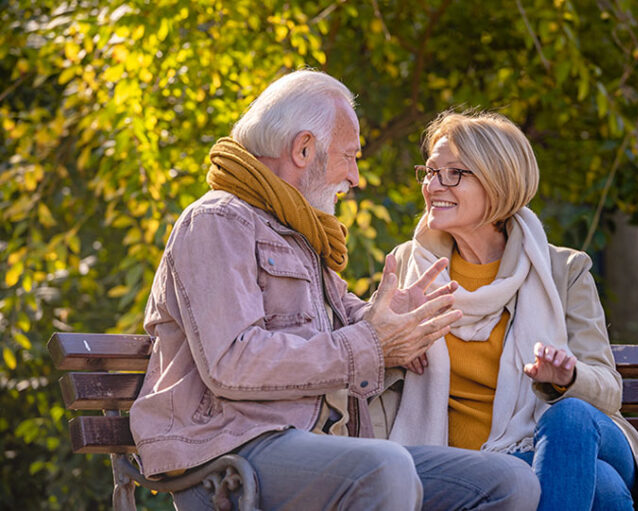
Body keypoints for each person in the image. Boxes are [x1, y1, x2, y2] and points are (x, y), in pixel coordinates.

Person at [130, 71, 540, 511]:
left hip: (322, 446)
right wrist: (372, 342)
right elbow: (232, 362)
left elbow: (356, 328)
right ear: (304, 149)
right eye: (349, 157)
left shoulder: (302, 235)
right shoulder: (217, 221)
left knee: (509, 480)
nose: (356, 176)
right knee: (385, 469)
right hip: (233, 452)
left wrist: (391, 324)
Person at [374, 110, 638, 511]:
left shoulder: (564, 271)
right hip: (459, 463)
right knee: (606, 490)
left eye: (453, 173)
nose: (432, 185)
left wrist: (565, 378)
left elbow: (608, 392)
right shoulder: (410, 268)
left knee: (569, 417)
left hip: (561, 437)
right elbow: (365, 363)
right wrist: (391, 345)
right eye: (430, 171)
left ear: (497, 181)